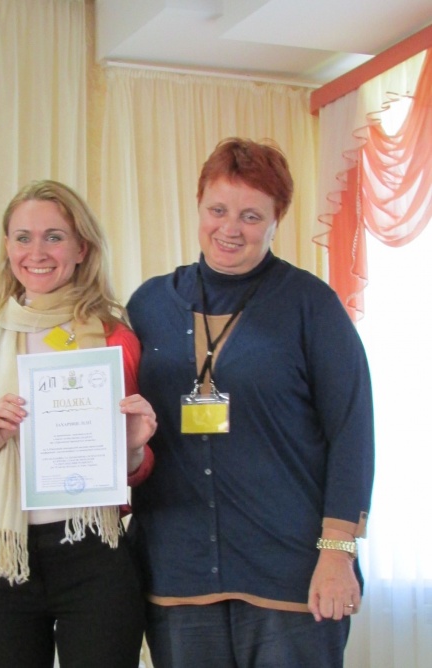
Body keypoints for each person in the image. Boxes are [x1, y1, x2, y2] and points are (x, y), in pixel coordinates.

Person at [126, 137, 375, 668]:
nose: (230, 228)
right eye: (218, 210)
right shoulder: (148, 305)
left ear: (277, 219)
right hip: (177, 574)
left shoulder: (311, 305)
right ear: (198, 205)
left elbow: (352, 432)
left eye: (251, 216)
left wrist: (338, 553)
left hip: (290, 577)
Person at [0, 179, 156, 668]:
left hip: (95, 553)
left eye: (54, 237)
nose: (36, 252)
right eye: (23, 237)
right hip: (3, 555)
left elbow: (138, 469)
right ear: (7, 247)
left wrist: (133, 448)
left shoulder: (114, 340)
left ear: (82, 248)